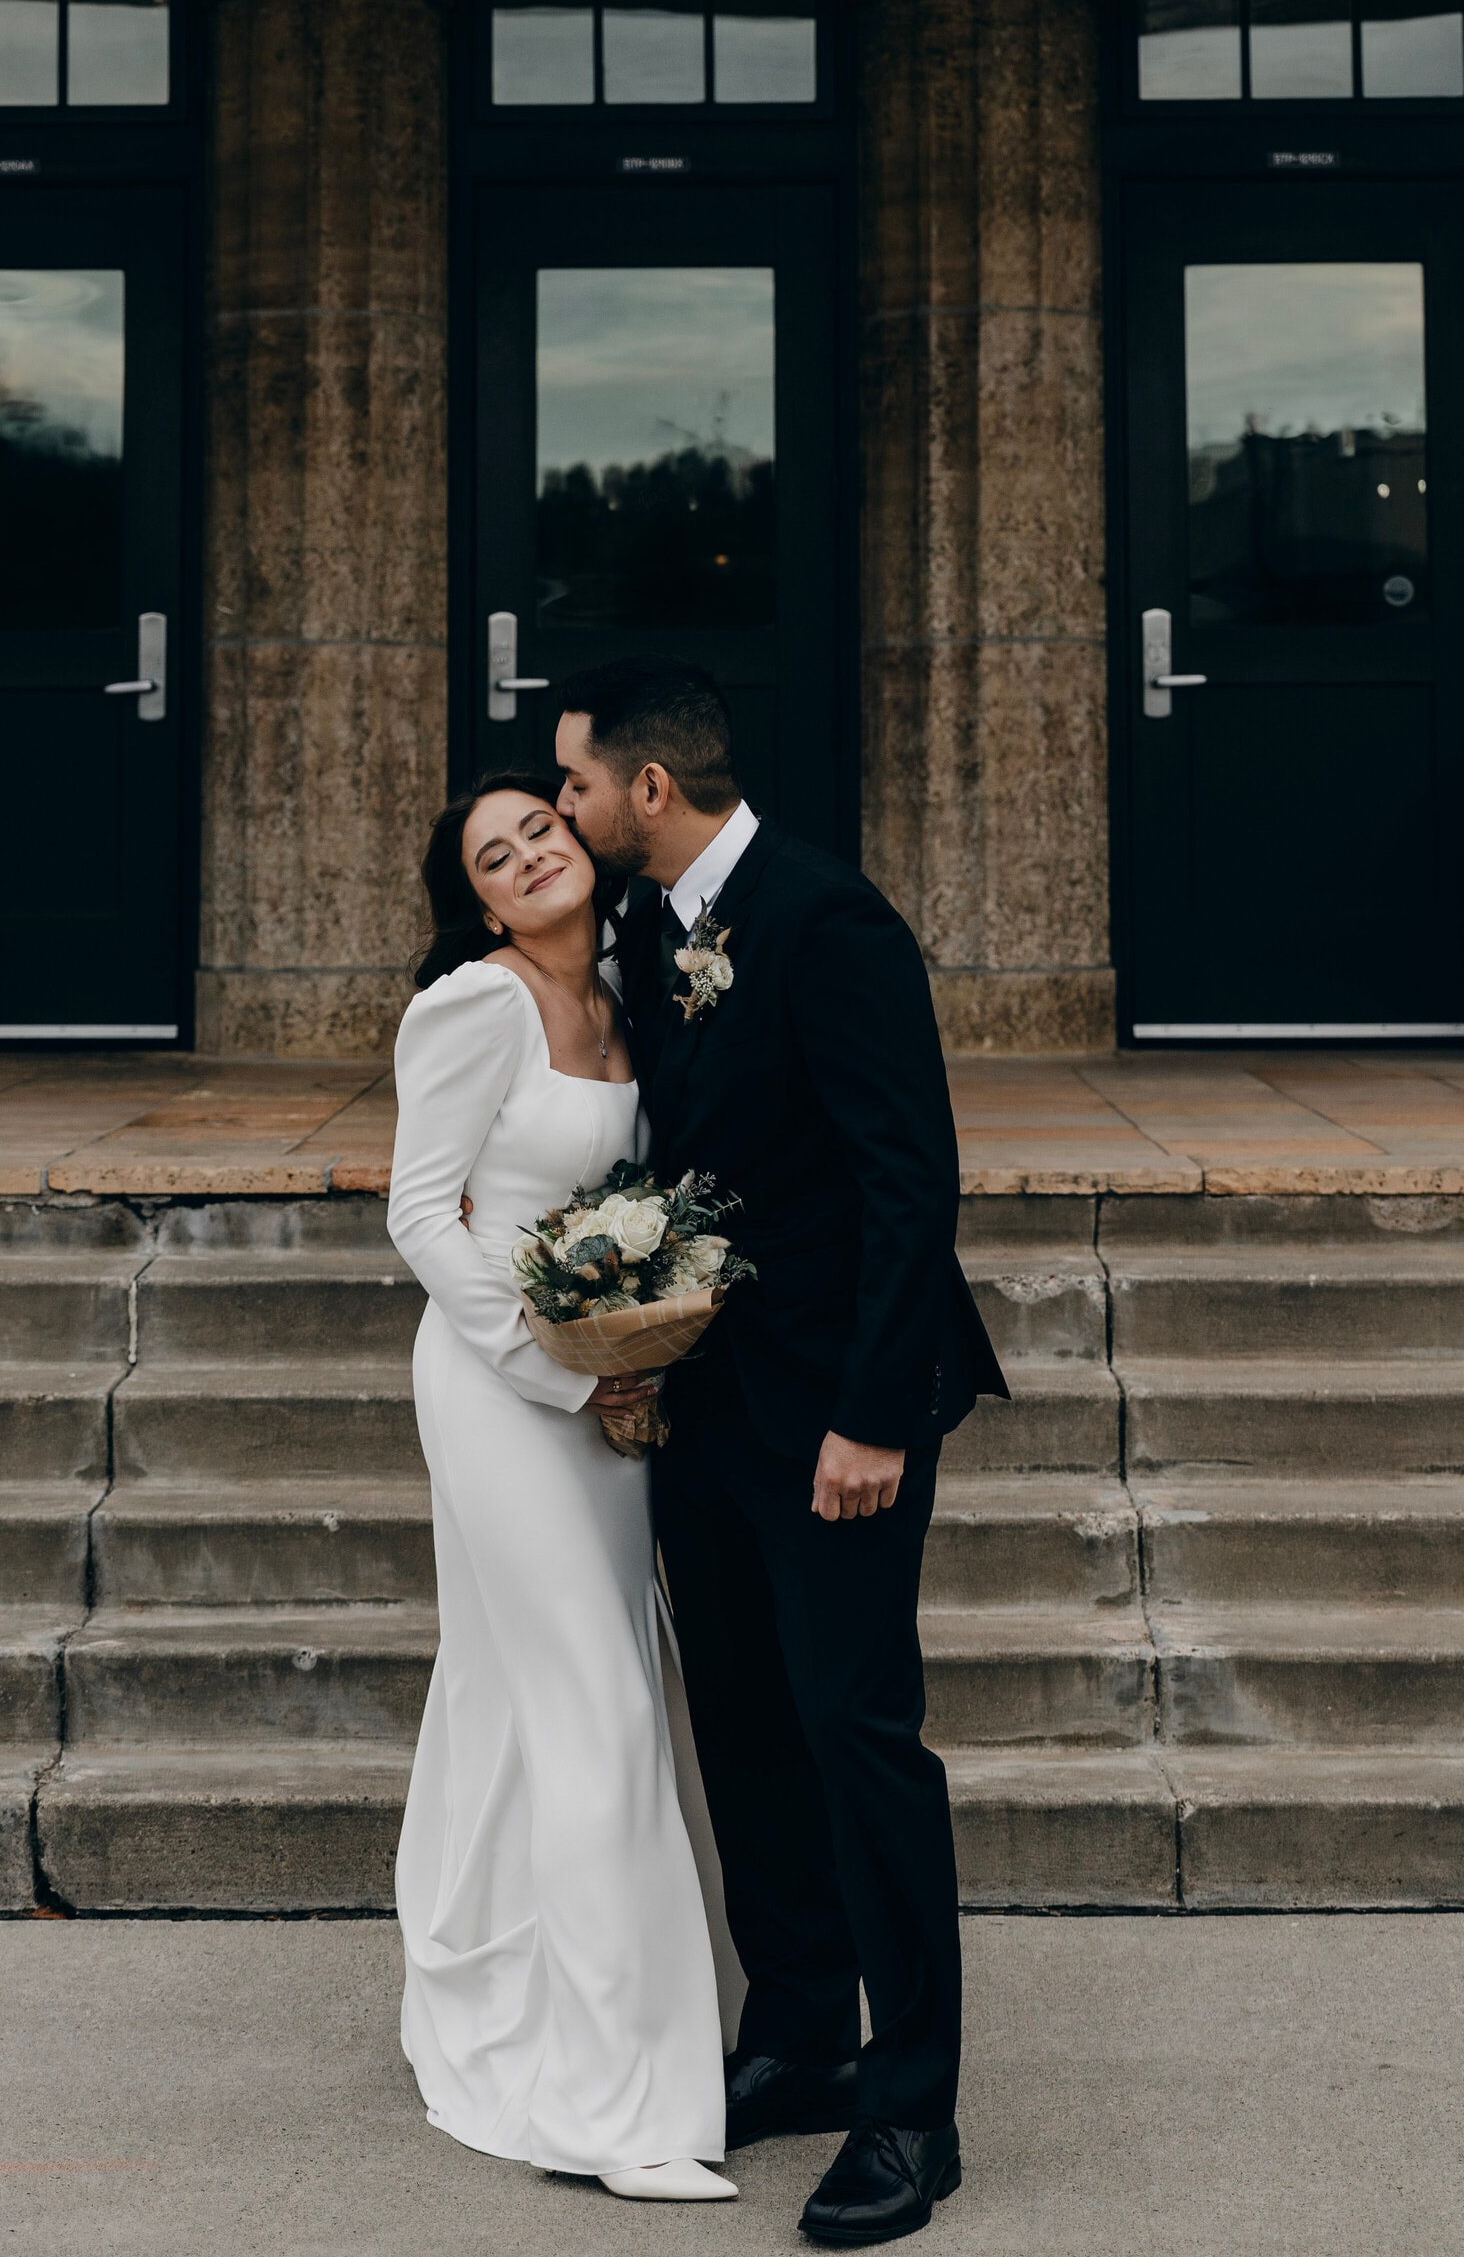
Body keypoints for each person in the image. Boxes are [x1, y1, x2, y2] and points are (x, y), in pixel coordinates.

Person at [554, 659, 1009, 2250]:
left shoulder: (828, 921)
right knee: (744, 1726)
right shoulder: (650, 927)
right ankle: (803, 2037)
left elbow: (911, 1181)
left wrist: (876, 1415)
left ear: (650, 793)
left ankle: (912, 2110)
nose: (565, 810)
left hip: (840, 1411)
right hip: (709, 1405)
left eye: (577, 787)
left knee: (858, 1734)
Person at [385, 770, 735, 2203]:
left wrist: (632, 1347)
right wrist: (556, 1373)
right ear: (476, 899)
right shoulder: (473, 1007)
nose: (530, 853)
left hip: (606, 1391)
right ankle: (614, 2111)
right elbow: (422, 1212)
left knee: (531, 1696)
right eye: (496, 852)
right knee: (593, 1704)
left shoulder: (632, 990)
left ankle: (474, 1981)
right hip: (498, 1393)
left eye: (540, 825)